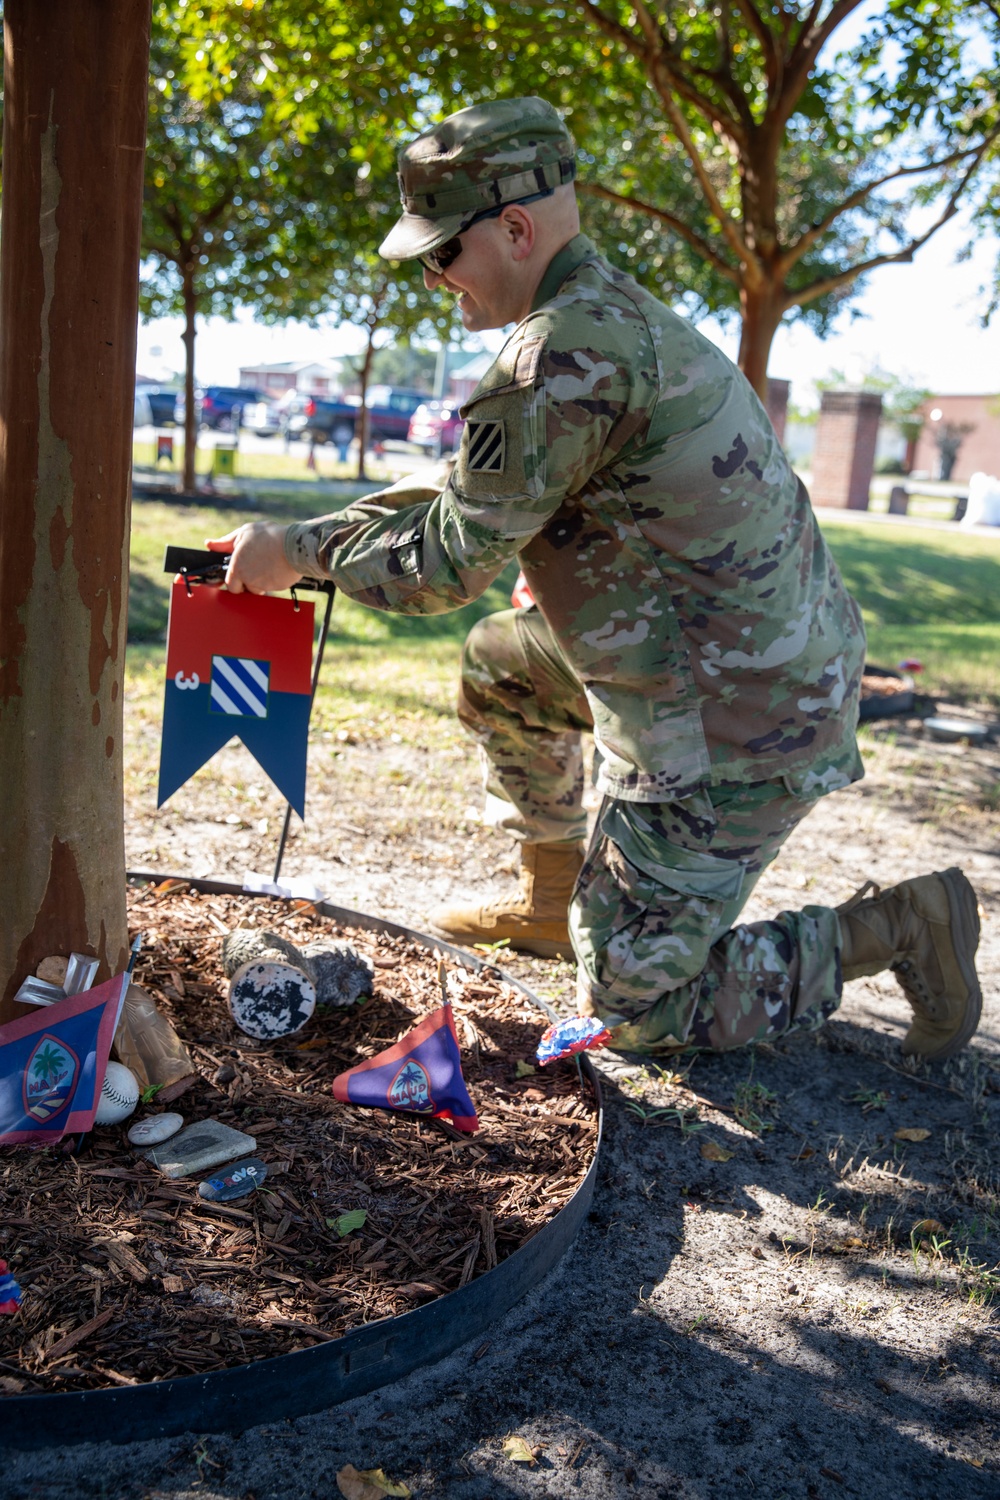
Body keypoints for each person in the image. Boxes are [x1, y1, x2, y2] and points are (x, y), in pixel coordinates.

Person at [208, 97, 982, 1061]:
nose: (434, 278)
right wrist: (321, 529)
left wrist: (297, 554)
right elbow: (474, 494)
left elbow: (448, 563)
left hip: (730, 721)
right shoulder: (610, 316)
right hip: (742, 668)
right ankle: (548, 894)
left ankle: (900, 927)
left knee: (632, 1012)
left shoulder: (556, 356)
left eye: (442, 253)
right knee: (504, 660)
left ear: (515, 228)